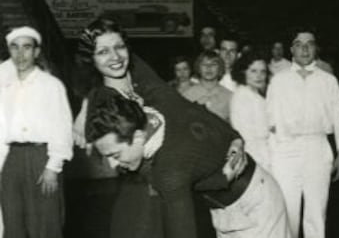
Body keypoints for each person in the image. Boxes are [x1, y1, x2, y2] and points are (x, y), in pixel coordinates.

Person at [75, 17, 246, 238]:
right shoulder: (103, 104)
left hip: (177, 197)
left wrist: (233, 137)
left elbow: (184, 108)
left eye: (119, 46)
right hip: (145, 201)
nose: (115, 57)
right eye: (103, 52)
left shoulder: (138, 72)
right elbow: (157, 172)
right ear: (91, 59)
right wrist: (219, 179)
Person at [86, 85, 292, 238]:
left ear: (139, 137)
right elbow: (101, 92)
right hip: (224, 209)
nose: (113, 165)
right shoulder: (149, 112)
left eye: (115, 155)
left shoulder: (169, 171)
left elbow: (182, 231)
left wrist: (235, 139)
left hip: (255, 203)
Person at [266, 28, 339, 238]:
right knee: (288, 214)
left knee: (316, 214)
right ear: (291, 49)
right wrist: (275, 156)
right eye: (299, 44)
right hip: (286, 151)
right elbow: (270, 122)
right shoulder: (278, 80)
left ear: (316, 48)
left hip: (318, 149)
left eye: (309, 43)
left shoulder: (329, 81)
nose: (304, 48)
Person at [0, 26, 73, 238]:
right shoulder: (4, 85)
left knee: (45, 223)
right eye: (14, 48)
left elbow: (62, 127)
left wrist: (53, 166)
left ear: (37, 52)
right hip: (12, 158)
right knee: (12, 221)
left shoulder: (51, 85)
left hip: (41, 158)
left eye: (26, 47)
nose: (20, 54)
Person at [230, 51, 271, 171]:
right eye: (253, 71)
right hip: (255, 155)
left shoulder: (255, 95)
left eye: (262, 71)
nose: (259, 76)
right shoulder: (242, 96)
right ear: (243, 72)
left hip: (264, 152)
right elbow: (247, 135)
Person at [183, 51, 232, 121]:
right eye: (204, 64)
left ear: (220, 68)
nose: (208, 68)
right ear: (198, 68)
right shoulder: (187, 96)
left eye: (213, 64)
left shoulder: (229, 97)